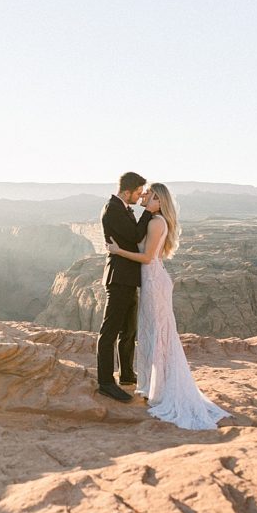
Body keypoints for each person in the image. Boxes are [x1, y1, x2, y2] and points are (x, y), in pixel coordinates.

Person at [106, 183, 231, 429]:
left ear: (159, 201)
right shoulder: (154, 219)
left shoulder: (156, 222)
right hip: (153, 281)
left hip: (154, 283)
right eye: (143, 193)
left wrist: (118, 251)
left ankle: (161, 389)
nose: (144, 196)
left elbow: (147, 258)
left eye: (149, 195)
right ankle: (157, 384)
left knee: (158, 334)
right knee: (154, 332)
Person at [96, 172, 153, 402]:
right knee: (109, 331)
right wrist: (149, 212)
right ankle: (106, 382)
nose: (139, 197)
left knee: (128, 330)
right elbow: (135, 234)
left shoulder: (123, 208)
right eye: (138, 193)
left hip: (128, 278)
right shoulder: (113, 209)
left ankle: (127, 374)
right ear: (126, 191)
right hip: (118, 278)